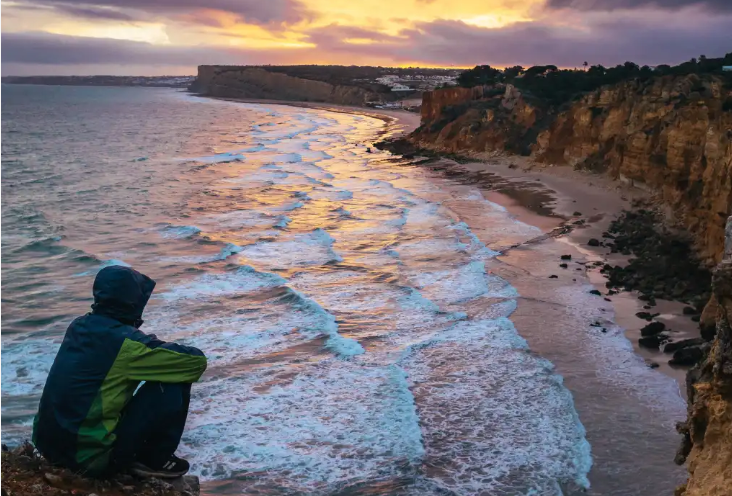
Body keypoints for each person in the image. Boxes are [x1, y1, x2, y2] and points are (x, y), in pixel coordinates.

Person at [32, 265, 207, 479]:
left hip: (48, 446)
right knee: (172, 381)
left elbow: (107, 356)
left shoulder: (78, 325)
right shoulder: (127, 344)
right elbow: (195, 362)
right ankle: (154, 459)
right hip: (87, 458)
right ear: (133, 302)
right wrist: (148, 343)